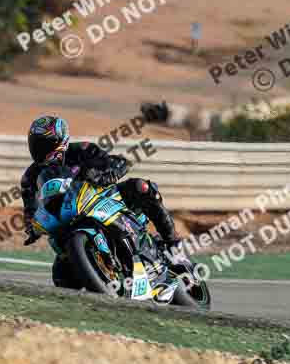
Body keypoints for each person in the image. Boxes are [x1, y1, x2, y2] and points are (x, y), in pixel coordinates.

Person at [20, 115, 180, 288]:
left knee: (142, 187)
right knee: (61, 275)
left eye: (44, 145)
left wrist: (112, 171)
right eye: (36, 145)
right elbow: (30, 207)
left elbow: (109, 161)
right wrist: (31, 226)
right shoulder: (29, 177)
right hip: (65, 215)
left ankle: (172, 242)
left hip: (101, 197)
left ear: (61, 141)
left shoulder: (82, 149)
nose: (39, 150)